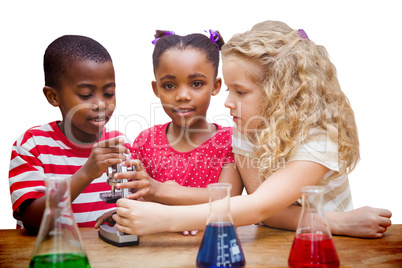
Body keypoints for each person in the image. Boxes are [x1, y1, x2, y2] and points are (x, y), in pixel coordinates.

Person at [110, 20, 392, 238]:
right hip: (278, 240)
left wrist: (163, 219)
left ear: (281, 92)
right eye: (230, 90)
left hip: (327, 245)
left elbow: (258, 208)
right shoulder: (244, 132)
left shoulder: (319, 138)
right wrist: (341, 222)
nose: (228, 102)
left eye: (240, 92)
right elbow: (268, 214)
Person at [95, 30, 243, 236]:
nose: (182, 95)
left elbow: (228, 198)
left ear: (216, 86)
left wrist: (160, 191)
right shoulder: (146, 141)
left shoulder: (231, 141)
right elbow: (139, 198)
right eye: (169, 85)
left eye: (197, 84)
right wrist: (123, 211)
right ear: (156, 89)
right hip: (155, 251)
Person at [8, 35, 130, 234]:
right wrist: (87, 173)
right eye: (85, 95)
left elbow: (134, 204)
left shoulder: (120, 143)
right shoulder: (33, 145)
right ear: (53, 96)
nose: (101, 104)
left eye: (108, 93)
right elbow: (32, 221)